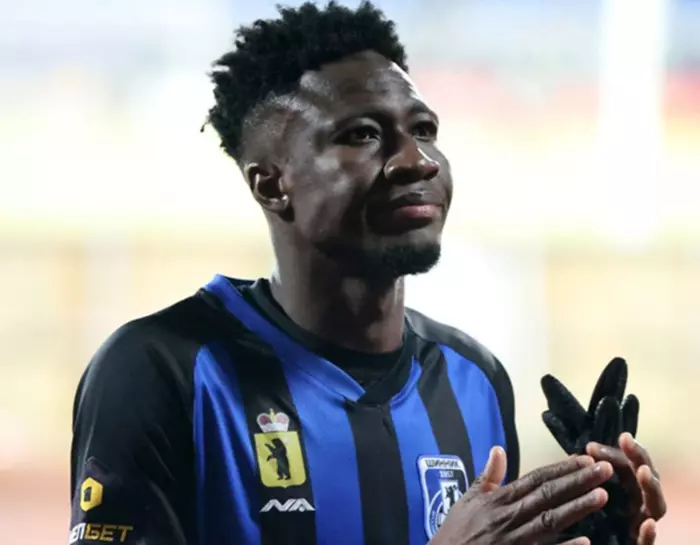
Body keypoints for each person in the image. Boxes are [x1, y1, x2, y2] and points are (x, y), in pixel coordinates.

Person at [68, 2, 667, 544]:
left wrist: (599, 529)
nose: (417, 160)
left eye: (424, 130)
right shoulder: (163, 370)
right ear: (271, 184)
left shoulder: (473, 380)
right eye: (363, 135)